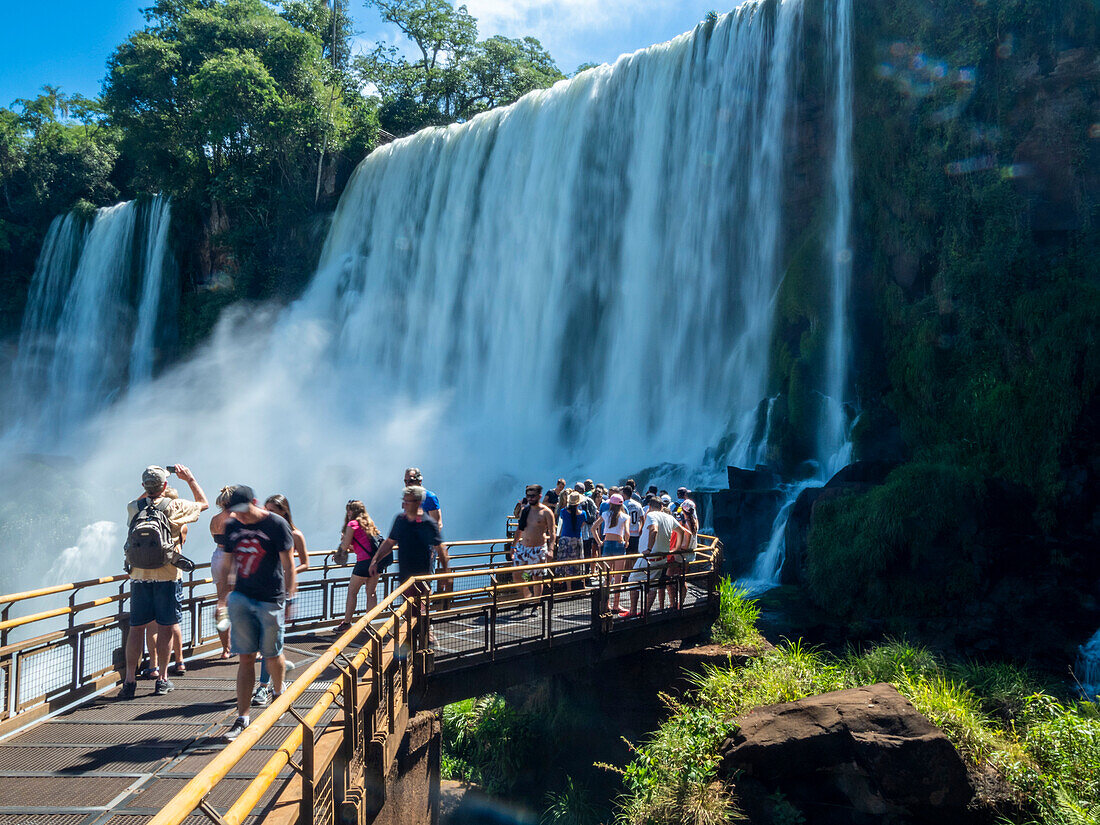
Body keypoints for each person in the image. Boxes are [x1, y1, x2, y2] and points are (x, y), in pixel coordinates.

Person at [119, 465, 208, 700]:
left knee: (136, 629)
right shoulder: (175, 506)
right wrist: (189, 478)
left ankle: (129, 681)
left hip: (138, 577)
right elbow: (204, 503)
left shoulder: (132, 507)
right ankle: (162, 679)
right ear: (165, 486)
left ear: (143, 486)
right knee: (166, 628)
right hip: (168, 576)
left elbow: (142, 501)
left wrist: (149, 490)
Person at [217, 486, 297, 741]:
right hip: (241, 596)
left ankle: (278, 689)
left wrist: (289, 598)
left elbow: (288, 563)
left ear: (254, 503)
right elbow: (228, 562)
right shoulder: (232, 526)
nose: (239, 517)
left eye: (242, 511)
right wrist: (223, 598)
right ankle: (242, 717)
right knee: (246, 657)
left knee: (272, 654)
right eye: (234, 512)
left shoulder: (276, 524)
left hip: (270, 598)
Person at [252, 494, 310, 707]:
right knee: (266, 640)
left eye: (273, 510)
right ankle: (279, 671)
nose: (268, 514)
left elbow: (305, 562)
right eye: (266, 509)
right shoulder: (262, 533)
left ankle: (264, 687)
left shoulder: (295, 535)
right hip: (263, 590)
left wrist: (288, 572)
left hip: (282, 591)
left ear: (284, 511)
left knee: (270, 641)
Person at [623, 496, 689, 617]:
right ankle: (645, 612)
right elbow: (682, 531)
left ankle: (633, 611)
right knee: (652, 584)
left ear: (649, 506)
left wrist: (648, 549)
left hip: (649, 558)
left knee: (632, 580)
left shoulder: (651, 516)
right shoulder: (669, 517)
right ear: (662, 507)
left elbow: (654, 530)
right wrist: (675, 549)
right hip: (662, 558)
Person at [334, 500, 385, 634]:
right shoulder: (369, 523)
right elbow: (361, 545)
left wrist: (343, 540)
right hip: (376, 562)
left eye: (349, 510)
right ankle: (369, 623)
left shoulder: (353, 524)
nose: (348, 513)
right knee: (371, 592)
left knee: (352, 591)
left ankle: (346, 623)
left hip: (364, 563)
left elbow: (345, 546)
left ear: (352, 511)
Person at [511, 484, 556, 602]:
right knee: (516, 574)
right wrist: (513, 545)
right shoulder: (524, 510)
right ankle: (527, 595)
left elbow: (552, 533)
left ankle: (536, 603)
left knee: (537, 577)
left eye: (533, 496)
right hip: (523, 547)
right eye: (528, 496)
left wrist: (551, 550)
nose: (530, 498)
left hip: (538, 548)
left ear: (539, 496)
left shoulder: (546, 512)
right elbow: (519, 529)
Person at [404, 468, 449, 584]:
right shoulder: (408, 498)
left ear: (419, 480)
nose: (407, 484)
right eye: (405, 481)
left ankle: (424, 601)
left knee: (424, 581)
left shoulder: (430, 497)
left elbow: (437, 523)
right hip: (410, 547)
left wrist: (433, 547)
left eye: (410, 481)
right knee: (409, 582)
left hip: (426, 548)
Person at [209, 486, 237, 660]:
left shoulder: (214, 519)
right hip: (234, 558)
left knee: (222, 602)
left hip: (218, 556)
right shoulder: (237, 518)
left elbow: (215, 536)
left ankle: (225, 649)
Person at [595, 493, 630, 613]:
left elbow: (593, 528)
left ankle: (606, 604)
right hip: (619, 545)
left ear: (610, 504)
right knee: (618, 577)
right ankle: (616, 605)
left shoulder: (605, 514)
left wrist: (599, 542)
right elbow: (627, 532)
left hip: (607, 544)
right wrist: (627, 541)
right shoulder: (625, 517)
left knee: (607, 578)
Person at [669, 490, 699, 609]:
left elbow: (685, 542)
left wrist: (676, 549)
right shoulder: (695, 522)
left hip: (681, 554)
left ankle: (674, 603)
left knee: (670, 577)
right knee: (682, 578)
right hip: (690, 555)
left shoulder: (685, 523)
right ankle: (679, 603)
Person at [556, 491, 590, 590]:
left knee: (566, 564)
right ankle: (582, 585)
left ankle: (569, 588)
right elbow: (582, 525)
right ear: (578, 503)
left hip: (565, 540)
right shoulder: (583, 514)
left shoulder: (563, 512)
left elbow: (562, 521)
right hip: (577, 540)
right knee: (578, 563)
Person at [622, 483, 644, 556]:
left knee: (626, 555)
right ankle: (634, 567)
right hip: (636, 532)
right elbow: (642, 519)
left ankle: (628, 567)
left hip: (626, 533)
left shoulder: (623, 505)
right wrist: (640, 530)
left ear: (624, 494)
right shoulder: (638, 504)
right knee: (634, 554)